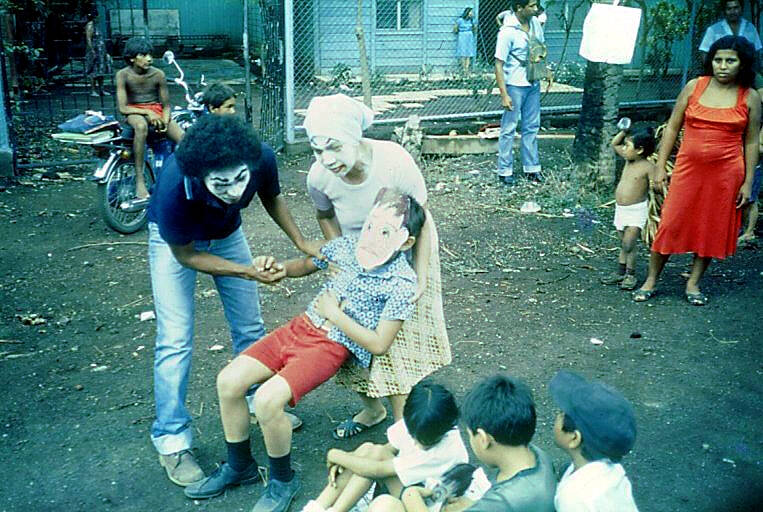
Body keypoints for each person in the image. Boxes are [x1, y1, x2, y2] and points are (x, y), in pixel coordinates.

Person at [183, 188, 425, 511]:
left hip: (332, 345)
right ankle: (240, 465)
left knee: (268, 401)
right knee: (228, 381)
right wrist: (276, 268)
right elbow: (307, 263)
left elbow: (380, 343)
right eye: (370, 225)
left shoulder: (401, 283)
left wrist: (335, 314)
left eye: (385, 232)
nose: (370, 237)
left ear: (406, 242)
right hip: (300, 327)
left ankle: (282, 480)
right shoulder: (347, 248)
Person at [147, 115, 322, 487]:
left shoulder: (259, 157)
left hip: (227, 233)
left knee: (250, 325)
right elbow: (187, 256)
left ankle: (262, 403)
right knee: (175, 339)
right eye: (220, 183)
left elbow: (271, 196)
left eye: (239, 179)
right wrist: (246, 271)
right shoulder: (175, 185)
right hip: (177, 245)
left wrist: (301, 243)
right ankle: (173, 440)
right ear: (200, 175)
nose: (232, 191)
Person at [302, 93, 451, 441]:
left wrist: (421, 275)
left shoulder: (393, 161)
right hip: (359, 260)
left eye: (334, 147)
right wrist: (341, 260)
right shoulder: (319, 177)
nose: (327, 159)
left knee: (394, 347)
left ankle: (402, 433)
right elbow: (325, 216)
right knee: (349, 337)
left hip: (405, 254)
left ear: (355, 137)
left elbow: (423, 219)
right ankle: (373, 409)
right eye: (317, 150)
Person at [633, 36, 761, 305]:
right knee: (671, 222)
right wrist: (659, 166)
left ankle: (693, 284)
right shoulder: (695, 86)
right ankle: (651, 280)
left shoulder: (750, 96)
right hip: (687, 170)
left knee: (710, 228)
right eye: (718, 60)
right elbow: (671, 127)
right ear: (710, 61)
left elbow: (751, 141)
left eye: (730, 61)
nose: (723, 66)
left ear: (742, 64)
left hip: (727, 175)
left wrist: (748, 181)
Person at [302, 380, 468, 512]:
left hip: (424, 502)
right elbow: (386, 450)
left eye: (427, 442)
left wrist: (336, 455)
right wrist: (349, 460)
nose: (417, 443)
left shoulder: (447, 449)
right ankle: (317, 507)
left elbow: (379, 468)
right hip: (411, 486)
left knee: (372, 459)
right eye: (414, 437)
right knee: (368, 449)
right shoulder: (418, 422)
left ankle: (335, 510)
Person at [448, 374, 556, 511]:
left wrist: (412, 496)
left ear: (483, 439)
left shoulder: (501, 502)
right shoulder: (539, 456)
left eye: (470, 435)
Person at [549, 370, 639, 512]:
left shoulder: (574, 499)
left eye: (561, 414)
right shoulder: (614, 470)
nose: (557, 416)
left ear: (574, 438)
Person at [116, 36, 184, 199]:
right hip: (134, 111)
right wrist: (148, 113)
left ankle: (183, 180)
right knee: (140, 127)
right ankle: (140, 180)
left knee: (184, 138)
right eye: (143, 55)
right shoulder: (123, 75)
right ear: (132, 58)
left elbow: (166, 105)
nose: (149, 59)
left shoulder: (158, 75)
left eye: (150, 55)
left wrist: (166, 120)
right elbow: (123, 108)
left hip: (157, 110)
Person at [494, 0, 545, 186]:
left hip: (533, 81)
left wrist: (544, 71)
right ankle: (505, 170)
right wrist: (504, 94)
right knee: (509, 128)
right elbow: (498, 64)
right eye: (531, 6)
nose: (535, 9)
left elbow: (540, 48)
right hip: (515, 84)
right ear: (519, 8)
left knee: (531, 126)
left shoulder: (535, 25)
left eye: (536, 5)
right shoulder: (507, 32)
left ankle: (532, 169)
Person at [601, 125, 656, 290]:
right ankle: (621, 272)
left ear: (639, 150)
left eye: (628, 146)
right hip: (621, 210)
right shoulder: (627, 159)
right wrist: (624, 131)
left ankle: (630, 274)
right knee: (623, 243)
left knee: (629, 243)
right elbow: (614, 143)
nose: (624, 149)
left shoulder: (648, 167)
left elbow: (657, 185)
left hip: (636, 211)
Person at [739, 90, 762, 243]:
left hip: (756, 165)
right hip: (744, 164)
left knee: (751, 199)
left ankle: (749, 231)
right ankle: (740, 228)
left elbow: (759, 148)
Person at [84, 10, 111, 97]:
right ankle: (93, 90)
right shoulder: (90, 25)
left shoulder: (97, 26)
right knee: (93, 70)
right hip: (94, 51)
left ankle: (101, 89)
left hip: (101, 51)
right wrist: (92, 51)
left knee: (101, 70)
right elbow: (88, 39)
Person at [454, 8, 477, 76]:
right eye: (471, 12)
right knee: (463, 52)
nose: (472, 14)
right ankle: (463, 69)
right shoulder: (460, 20)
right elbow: (455, 29)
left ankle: (466, 69)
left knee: (468, 53)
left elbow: (475, 30)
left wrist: (474, 23)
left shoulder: (472, 20)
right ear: (467, 13)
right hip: (462, 35)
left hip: (469, 36)